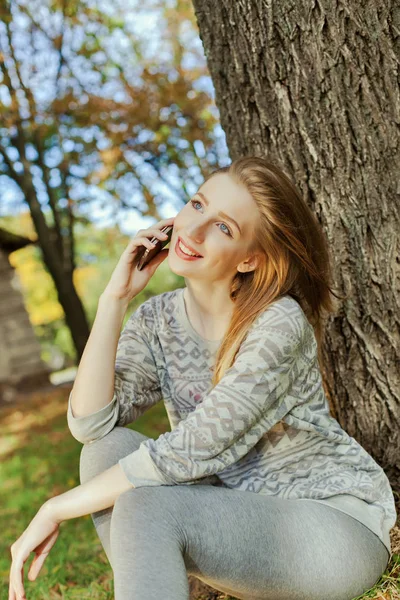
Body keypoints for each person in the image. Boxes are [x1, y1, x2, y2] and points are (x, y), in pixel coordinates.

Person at [8, 156, 396, 600]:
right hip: (236, 515)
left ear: (251, 259)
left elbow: (194, 449)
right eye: (197, 205)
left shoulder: (277, 324)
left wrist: (58, 506)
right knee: (105, 451)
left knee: (146, 505)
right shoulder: (157, 319)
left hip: (330, 527)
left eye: (224, 227)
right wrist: (115, 298)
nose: (193, 231)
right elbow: (91, 424)